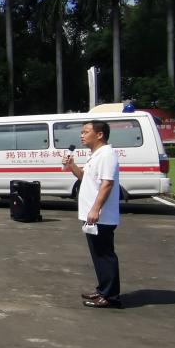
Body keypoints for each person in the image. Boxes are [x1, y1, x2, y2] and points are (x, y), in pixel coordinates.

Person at [63, 121, 123, 309]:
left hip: (102, 216)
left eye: (86, 132)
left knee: (104, 255)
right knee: (98, 254)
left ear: (99, 135)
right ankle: (103, 290)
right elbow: (84, 177)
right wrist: (72, 165)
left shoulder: (106, 155)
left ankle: (110, 296)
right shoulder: (95, 155)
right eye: (82, 132)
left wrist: (96, 209)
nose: (82, 135)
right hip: (92, 215)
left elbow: (107, 184)